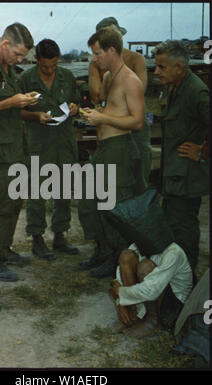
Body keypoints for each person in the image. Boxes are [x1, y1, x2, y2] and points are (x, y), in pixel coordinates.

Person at [78, 27, 145, 278]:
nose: (94, 59)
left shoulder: (131, 81)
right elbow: (110, 109)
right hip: (104, 148)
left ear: (112, 51)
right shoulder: (108, 77)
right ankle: (103, 250)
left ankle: (119, 259)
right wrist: (94, 115)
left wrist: (103, 117)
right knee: (89, 202)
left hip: (120, 149)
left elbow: (137, 122)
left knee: (112, 205)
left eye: (97, 54)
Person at [0, 23, 39, 282]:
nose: (20, 60)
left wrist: (23, 101)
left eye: (22, 57)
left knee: (14, 203)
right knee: (0, 206)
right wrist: (11, 102)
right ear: (4, 44)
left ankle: (3, 249)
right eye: (17, 55)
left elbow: (8, 106)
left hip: (15, 148)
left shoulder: (9, 69)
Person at [19, 39, 80, 260]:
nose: (49, 70)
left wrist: (75, 108)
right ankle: (36, 238)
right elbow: (16, 111)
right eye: (45, 66)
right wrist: (35, 116)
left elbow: (76, 102)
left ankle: (60, 235)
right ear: (36, 59)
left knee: (63, 191)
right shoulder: (26, 79)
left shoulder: (67, 77)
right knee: (37, 191)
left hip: (64, 142)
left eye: (53, 65)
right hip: (39, 143)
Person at [153, 40, 210, 273]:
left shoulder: (196, 91)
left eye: (162, 67)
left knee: (184, 232)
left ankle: (186, 287)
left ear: (179, 67)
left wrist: (203, 151)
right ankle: (176, 281)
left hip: (186, 179)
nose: (156, 71)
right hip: (174, 176)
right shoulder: (176, 87)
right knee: (173, 231)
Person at [88, 17, 151, 195]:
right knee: (112, 182)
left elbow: (140, 90)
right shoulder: (97, 62)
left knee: (138, 176)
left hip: (133, 126)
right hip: (112, 132)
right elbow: (96, 95)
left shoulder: (136, 59)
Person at [110, 241, 193, 338]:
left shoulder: (174, 252)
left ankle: (153, 321)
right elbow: (117, 281)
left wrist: (120, 292)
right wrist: (121, 304)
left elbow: (151, 291)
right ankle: (133, 315)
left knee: (145, 267)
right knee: (126, 256)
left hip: (172, 303)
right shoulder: (141, 241)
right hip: (151, 292)